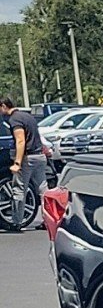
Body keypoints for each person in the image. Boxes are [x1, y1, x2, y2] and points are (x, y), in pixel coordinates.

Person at [3, 97, 47, 228]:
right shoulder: (27, 116)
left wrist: (17, 163)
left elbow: (20, 140)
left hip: (27, 159)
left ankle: (17, 222)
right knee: (44, 191)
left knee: (19, 190)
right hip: (39, 157)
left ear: (4, 106)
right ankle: (49, 221)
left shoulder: (14, 119)